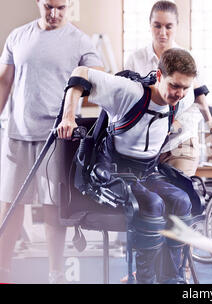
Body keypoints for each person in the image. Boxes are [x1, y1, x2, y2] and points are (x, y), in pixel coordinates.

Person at [57, 48, 198, 284]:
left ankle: (173, 279)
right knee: (153, 204)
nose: (180, 93)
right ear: (159, 76)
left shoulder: (181, 99)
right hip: (113, 172)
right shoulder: (128, 92)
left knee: (183, 200)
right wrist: (68, 116)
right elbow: (81, 73)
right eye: (175, 86)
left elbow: (196, 95)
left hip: (147, 172)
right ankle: (145, 280)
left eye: (185, 87)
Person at [0, 0, 103, 283]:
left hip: (57, 137)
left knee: (53, 209)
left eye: (60, 7)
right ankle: (3, 273)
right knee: (9, 206)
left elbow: (99, 78)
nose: (54, 13)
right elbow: (4, 83)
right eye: (48, 6)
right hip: (16, 133)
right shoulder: (17, 37)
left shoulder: (80, 41)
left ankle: (56, 275)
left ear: (70, 4)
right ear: (38, 2)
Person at [125, 0, 212, 177]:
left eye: (168, 27)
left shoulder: (188, 57)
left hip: (180, 140)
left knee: (176, 196)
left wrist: (208, 121)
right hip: (147, 144)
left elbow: (198, 95)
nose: (163, 33)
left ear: (177, 26)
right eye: (157, 26)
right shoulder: (135, 59)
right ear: (150, 25)